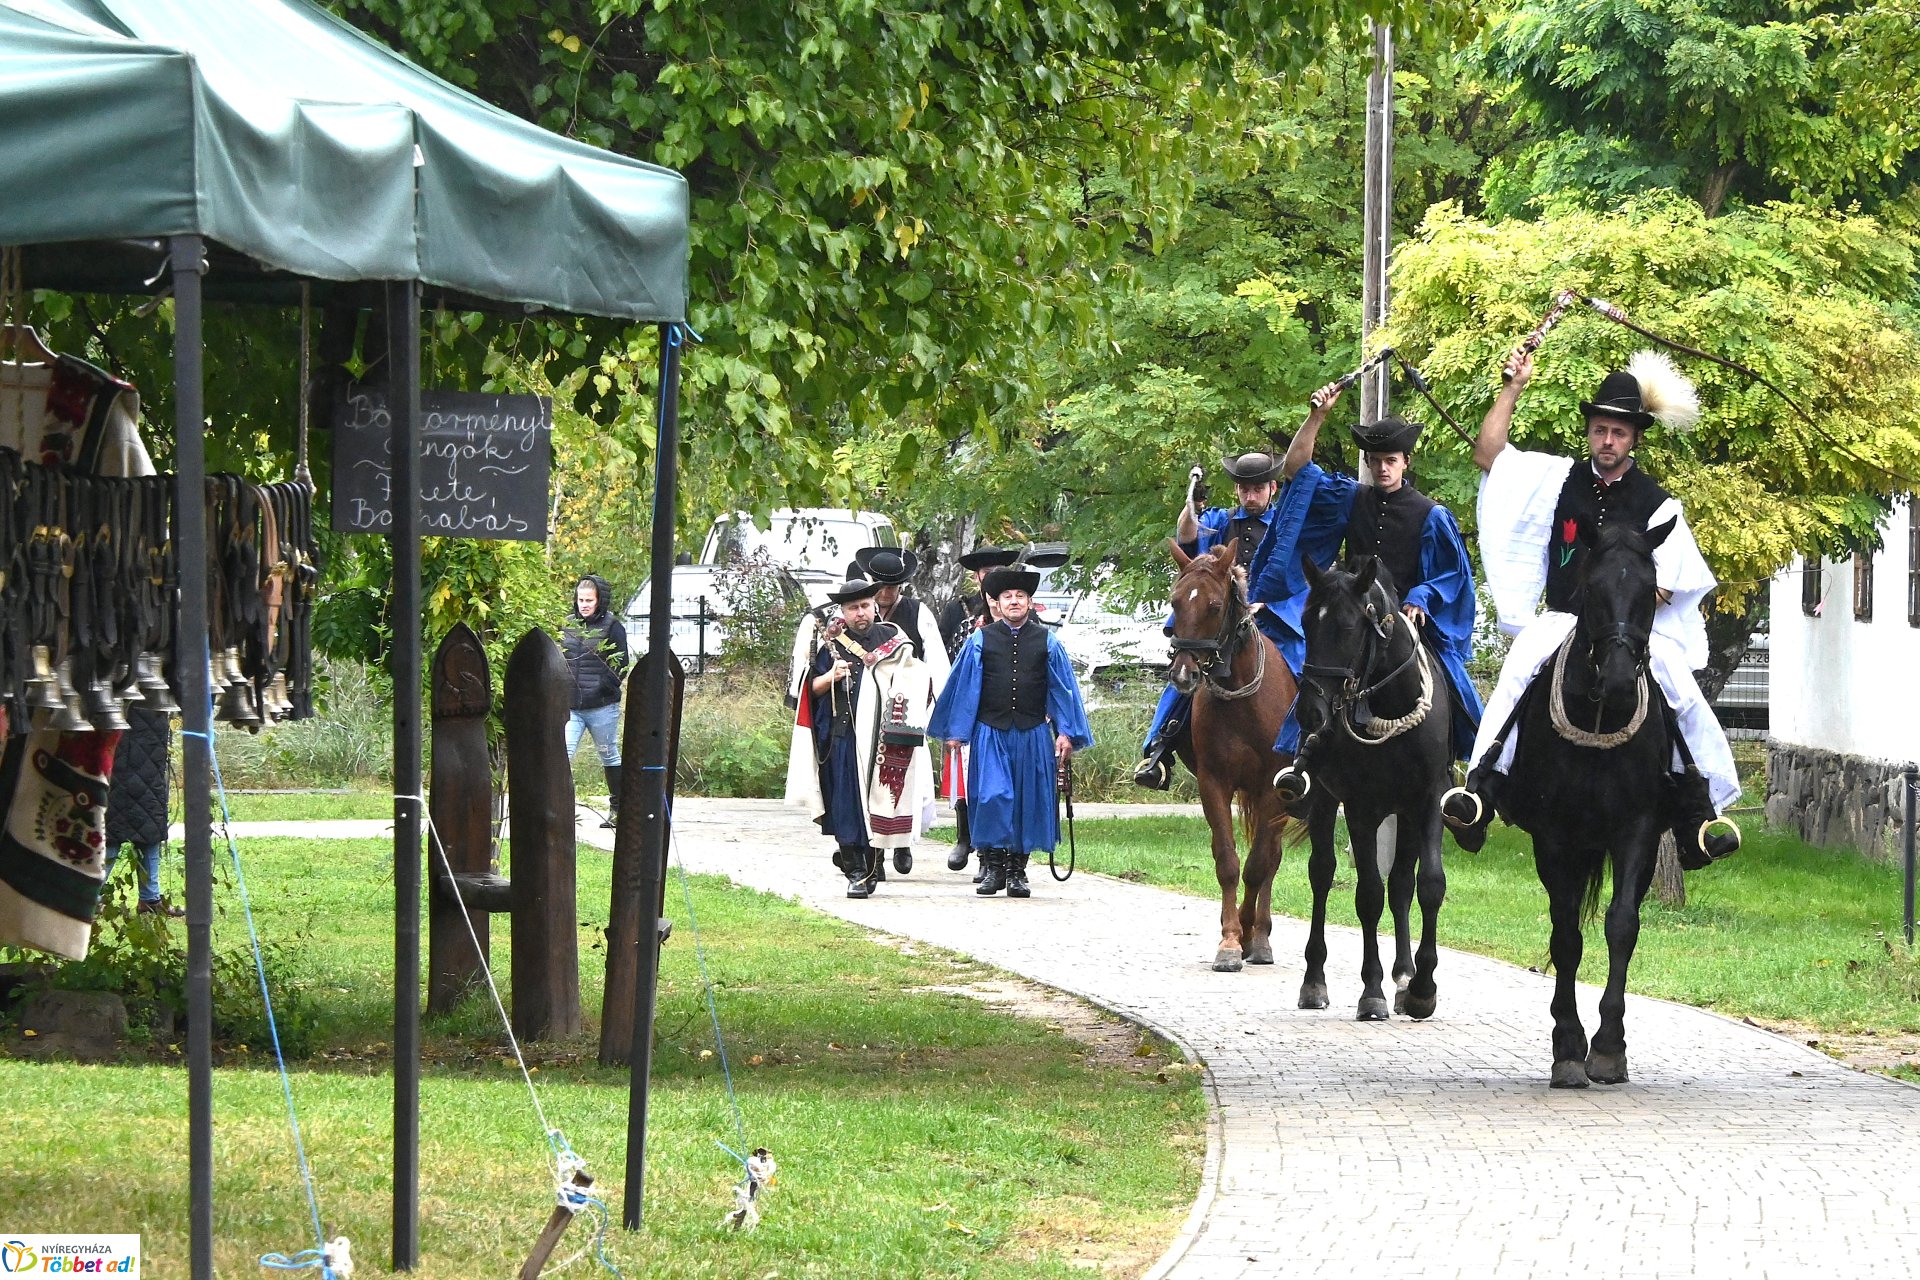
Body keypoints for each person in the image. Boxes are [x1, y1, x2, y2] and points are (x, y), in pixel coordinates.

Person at [1439, 348, 1740, 868]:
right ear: (1590, 432)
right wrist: (1512, 386)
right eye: (1600, 430)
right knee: (1516, 675)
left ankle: (1701, 812)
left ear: (1634, 438)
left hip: (1631, 632)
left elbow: (1677, 577)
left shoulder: (1657, 503)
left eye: (1619, 433)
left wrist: (1629, 601)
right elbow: (1489, 455)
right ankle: (1481, 790)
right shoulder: (1556, 480)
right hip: (1564, 623)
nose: (1608, 441)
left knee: (1681, 692)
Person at [1248, 382, 1484, 761]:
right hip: (1354, 618)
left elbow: (1453, 576)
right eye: (1375, 461)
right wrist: (1316, 417)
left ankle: (1476, 768)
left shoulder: (1432, 515)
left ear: (1406, 461)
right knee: (1320, 677)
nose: (1382, 468)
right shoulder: (1349, 498)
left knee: (1456, 684)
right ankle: (1303, 758)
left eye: (1390, 460)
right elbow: (1297, 469)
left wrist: (1422, 597)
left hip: (1408, 618)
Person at [930, 565, 1095, 898]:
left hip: (1033, 732)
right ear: (997, 603)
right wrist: (957, 731)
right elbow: (965, 689)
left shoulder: (1048, 642)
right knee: (992, 797)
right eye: (1008, 596)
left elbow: (1062, 691)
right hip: (991, 732)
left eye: (1020, 596)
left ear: (1030, 601)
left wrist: (1066, 732)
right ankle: (992, 867)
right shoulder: (980, 640)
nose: (1014, 601)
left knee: (1027, 801)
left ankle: (1017, 871)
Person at [1136, 452, 1284, 789]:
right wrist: (1191, 505)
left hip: (1275, 618)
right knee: (1184, 673)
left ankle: (1313, 752)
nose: (1251, 495)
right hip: (1219, 625)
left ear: (1272, 487)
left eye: (1258, 488)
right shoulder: (1218, 520)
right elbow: (1187, 535)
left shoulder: (1284, 525)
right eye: (1245, 489)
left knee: (1306, 669)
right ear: (1237, 490)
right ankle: (1157, 749)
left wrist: (1268, 605)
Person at [790, 578, 936, 898]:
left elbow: (916, 682)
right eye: (854, 608)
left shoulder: (894, 639)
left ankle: (867, 865)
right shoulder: (830, 642)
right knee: (845, 807)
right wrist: (831, 676)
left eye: (866, 606)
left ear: (874, 606)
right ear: (843, 611)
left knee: (878, 806)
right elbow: (808, 691)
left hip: (884, 741)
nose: (861, 613)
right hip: (842, 737)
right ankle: (856, 868)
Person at [853, 546, 949, 874]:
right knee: (868, 780)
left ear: (901, 587)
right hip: (867, 710)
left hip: (907, 709)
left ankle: (903, 841)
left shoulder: (918, 612)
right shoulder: (858, 613)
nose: (884, 594)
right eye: (879, 586)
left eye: (891, 587)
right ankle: (873, 854)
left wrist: (934, 708)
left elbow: (935, 660)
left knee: (906, 778)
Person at [934, 545, 1020, 871]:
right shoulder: (959, 610)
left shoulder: (1020, 610)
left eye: (998, 569)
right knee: (966, 776)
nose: (993, 576)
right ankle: (964, 835)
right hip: (968, 705)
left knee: (999, 784)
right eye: (987, 571)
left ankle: (994, 854)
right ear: (977, 577)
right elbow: (943, 656)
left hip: (1009, 708)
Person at [561, 574, 628, 829]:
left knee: (608, 755)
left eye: (589, 600)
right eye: (580, 600)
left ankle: (618, 809)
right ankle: (563, 807)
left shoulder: (612, 627)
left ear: (600, 601)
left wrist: (605, 686)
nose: (584, 604)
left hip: (602, 706)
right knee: (563, 754)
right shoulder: (566, 625)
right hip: (571, 707)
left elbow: (621, 663)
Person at [102, 706, 179, 917]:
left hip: (146, 758)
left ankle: (150, 898)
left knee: (148, 831)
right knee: (113, 833)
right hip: (126, 754)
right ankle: (90, 897)